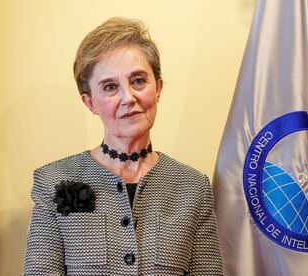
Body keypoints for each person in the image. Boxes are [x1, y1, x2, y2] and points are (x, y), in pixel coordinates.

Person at [23, 17, 223, 275]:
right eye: (110, 87)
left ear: (158, 88)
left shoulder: (193, 188)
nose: (128, 98)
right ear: (90, 103)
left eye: (138, 81)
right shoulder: (53, 182)